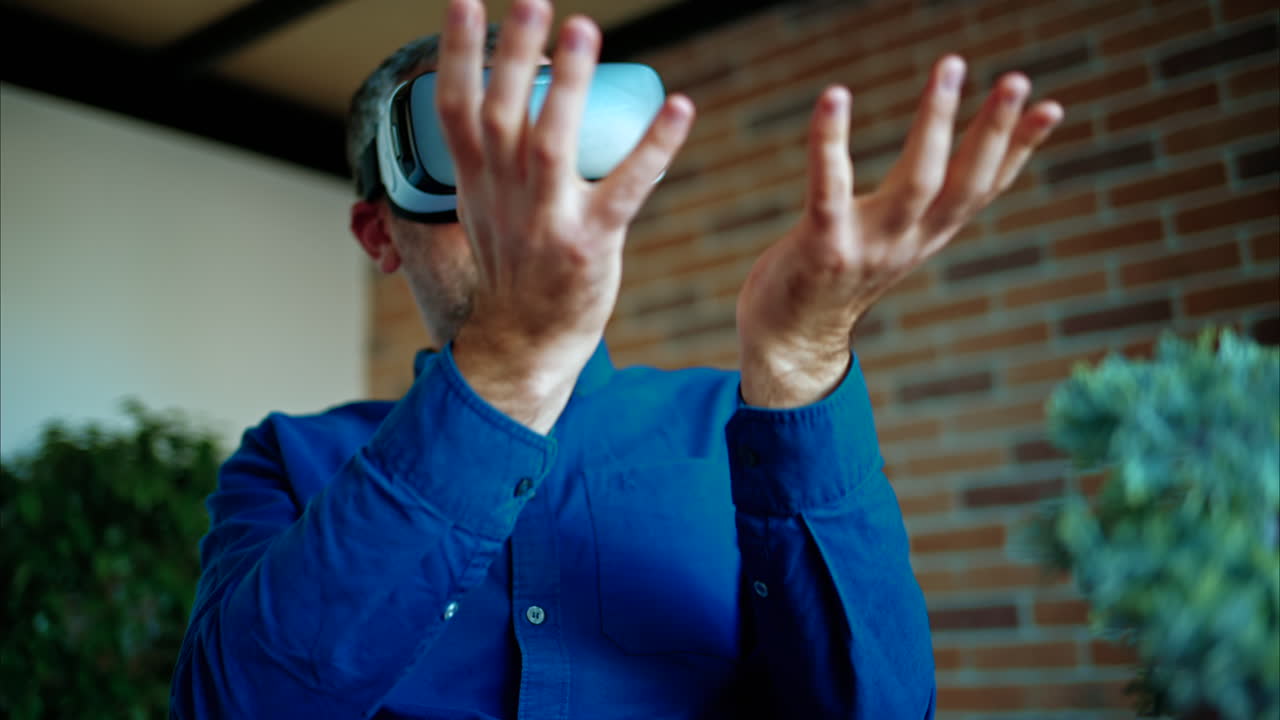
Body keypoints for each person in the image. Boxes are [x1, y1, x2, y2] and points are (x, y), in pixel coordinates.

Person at [169, 0, 1063, 717]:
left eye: (548, 156)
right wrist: (506, 368)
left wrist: (800, 357)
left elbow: (876, 709)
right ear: (381, 233)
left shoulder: (738, 429)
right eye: (461, 161)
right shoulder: (287, 460)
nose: (519, 202)